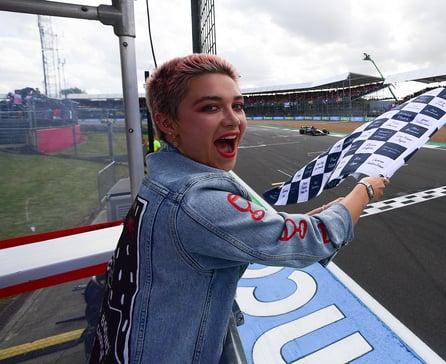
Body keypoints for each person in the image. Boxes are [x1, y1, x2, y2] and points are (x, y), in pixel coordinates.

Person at [89, 54, 389, 363]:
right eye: (211, 107)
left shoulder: (164, 180)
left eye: (238, 105)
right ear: (167, 122)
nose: (233, 119)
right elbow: (310, 242)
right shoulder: (196, 201)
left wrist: (326, 209)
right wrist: (363, 190)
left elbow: (263, 231)